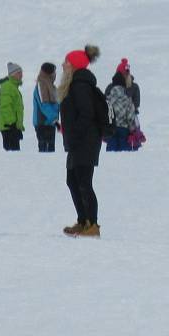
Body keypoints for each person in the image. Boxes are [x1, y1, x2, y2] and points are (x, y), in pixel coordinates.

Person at [60, 45, 102, 238]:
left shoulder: (81, 86)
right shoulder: (76, 85)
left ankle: (92, 225)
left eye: (66, 62)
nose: (63, 65)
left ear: (74, 66)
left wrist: (74, 133)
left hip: (86, 141)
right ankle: (83, 220)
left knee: (84, 182)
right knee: (73, 180)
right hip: (79, 141)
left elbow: (86, 114)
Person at [104, 70, 136, 151]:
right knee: (124, 156)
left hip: (111, 130)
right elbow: (130, 117)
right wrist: (133, 130)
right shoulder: (127, 99)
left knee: (111, 155)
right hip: (124, 130)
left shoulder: (108, 100)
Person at [0, 62, 24, 151]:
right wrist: (12, 123)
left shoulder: (12, 86)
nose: (21, 75)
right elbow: (5, 106)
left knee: (14, 152)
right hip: (9, 126)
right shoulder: (8, 86)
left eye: (21, 72)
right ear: (13, 74)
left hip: (12, 126)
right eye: (19, 73)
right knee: (12, 153)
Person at [32, 62, 59, 152]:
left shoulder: (51, 86)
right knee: (45, 153)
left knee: (50, 151)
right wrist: (54, 119)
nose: (55, 75)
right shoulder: (41, 84)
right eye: (54, 72)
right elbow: (44, 104)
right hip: (43, 122)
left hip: (50, 123)